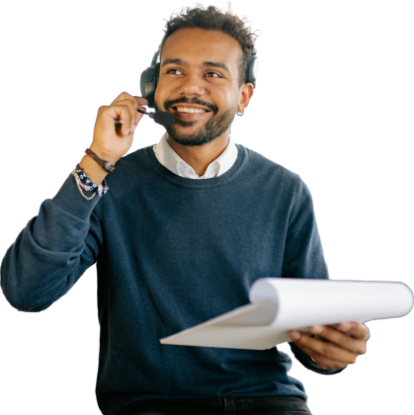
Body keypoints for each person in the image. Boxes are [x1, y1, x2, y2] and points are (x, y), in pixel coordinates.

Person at [0, 2, 370, 415]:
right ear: (152, 86)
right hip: (151, 406)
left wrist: (330, 351)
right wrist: (98, 159)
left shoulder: (286, 190)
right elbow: (27, 290)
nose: (190, 87)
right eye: (174, 71)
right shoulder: (110, 183)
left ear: (243, 96)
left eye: (213, 74)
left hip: (266, 400)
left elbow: (313, 333)